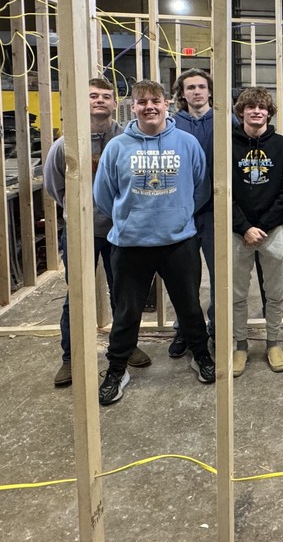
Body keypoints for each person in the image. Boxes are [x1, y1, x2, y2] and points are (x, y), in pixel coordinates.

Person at [93, 80, 214, 405]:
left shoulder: (186, 144)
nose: (149, 107)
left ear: (166, 104)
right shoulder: (118, 147)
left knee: (189, 305)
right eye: (142, 101)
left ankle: (201, 355)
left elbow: (200, 186)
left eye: (155, 101)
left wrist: (179, 214)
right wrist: (131, 218)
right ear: (132, 107)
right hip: (131, 244)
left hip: (179, 242)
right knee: (127, 311)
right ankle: (117, 369)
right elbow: (103, 196)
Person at [46, 77, 151, 386]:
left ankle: (125, 347)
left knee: (124, 293)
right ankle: (71, 357)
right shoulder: (66, 144)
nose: (100, 101)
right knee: (76, 296)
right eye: (93, 96)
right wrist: (80, 214)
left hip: (121, 231)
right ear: (84, 102)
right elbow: (55, 188)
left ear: (115, 104)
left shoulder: (128, 139)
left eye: (106, 96)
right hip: (81, 232)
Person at [231, 87, 283, 377]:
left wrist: (264, 226)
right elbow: (222, 190)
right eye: (251, 107)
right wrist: (244, 227)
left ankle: (273, 343)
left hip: (272, 232)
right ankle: (240, 346)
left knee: (274, 294)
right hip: (236, 232)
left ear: (269, 113)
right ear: (241, 111)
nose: (256, 111)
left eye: (262, 108)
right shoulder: (227, 144)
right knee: (237, 294)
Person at [168, 68, 215, 357]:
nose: (196, 92)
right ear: (182, 94)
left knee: (220, 275)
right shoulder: (172, 125)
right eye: (190, 87)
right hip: (182, 213)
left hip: (215, 213)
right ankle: (185, 329)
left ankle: (217, 329)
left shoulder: (227, 122)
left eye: (201, 86)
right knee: (184, 278)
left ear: (209, 91)